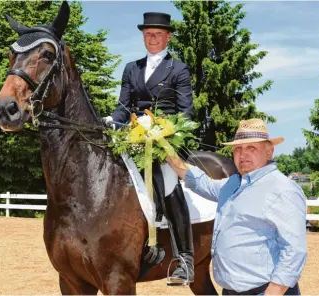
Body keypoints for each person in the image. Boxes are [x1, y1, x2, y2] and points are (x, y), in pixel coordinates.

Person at [166, 118, 307, 295]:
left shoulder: (282, 189)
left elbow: (294, 250)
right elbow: (202, 183)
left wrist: (274, 291)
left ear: (269, 152)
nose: (243, 154)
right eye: (238, 149)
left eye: (251, 148)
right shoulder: (233, 184)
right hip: (231, 291)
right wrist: (168, 153)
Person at [103, 12, 195, 284]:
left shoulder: (178, 69)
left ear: (167, 37)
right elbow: (123, 108)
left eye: (157, 34)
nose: (151, 38)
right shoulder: (131, 68)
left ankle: (186, 259)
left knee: (168, 183)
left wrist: (164, 130)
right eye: (147, 34)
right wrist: (112, 121)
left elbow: (186, 111)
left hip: (164, 140)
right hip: (134, 138)